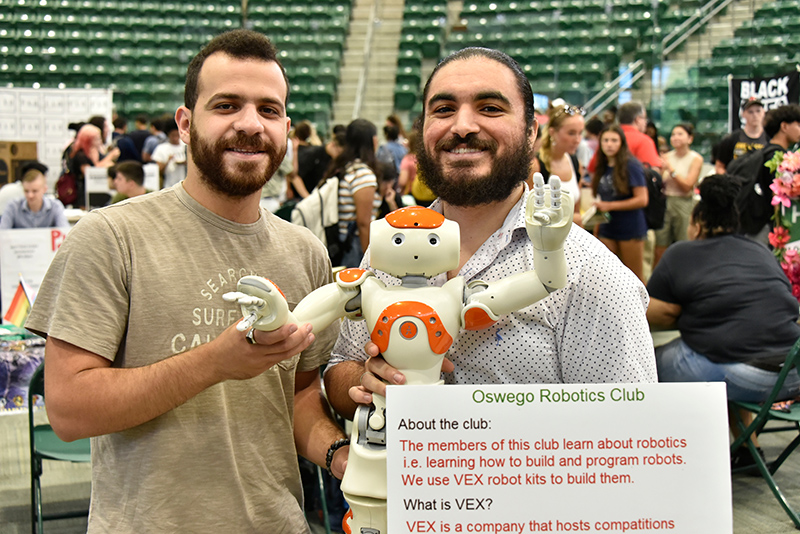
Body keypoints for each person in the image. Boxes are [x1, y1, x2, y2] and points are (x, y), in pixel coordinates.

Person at [25, 29, 347, 533]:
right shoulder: (110, 236)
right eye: (226, 105)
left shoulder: (304, 251)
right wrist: (214, 363)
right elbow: (68, 410)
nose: (249, 124)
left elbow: (299, 394)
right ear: (185, 123)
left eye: (267, 110)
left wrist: (339, 455)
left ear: (286, 128)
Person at [323, 47, 656, 423]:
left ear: (531, 133)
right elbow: (340, 368)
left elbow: (630, 433)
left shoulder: (591, 274)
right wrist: (365, 382)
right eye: (444, 110)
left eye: (490, 108)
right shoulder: (392, 244)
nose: (462, 126)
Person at [647, 174, 800, 462]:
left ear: (697, 220)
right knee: (727, 349)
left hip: (743, 372)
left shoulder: (681, 253)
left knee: (648, 365)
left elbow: (661, 311)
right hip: (792, 372)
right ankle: (747, 449)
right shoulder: (760, 251)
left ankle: (664, 457)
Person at [591, 125, 649, 282]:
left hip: (629, 228)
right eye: (606, 140)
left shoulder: (631, 165)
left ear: (621, 143)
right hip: (607, 227)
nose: (609, 144)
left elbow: (642, 199)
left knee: (634, 277)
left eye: (614, 140)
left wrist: (610, 206)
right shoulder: (602, 165)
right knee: (608, 277)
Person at [327, 118, 382, 268]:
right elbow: (363, 223)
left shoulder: (346, 167)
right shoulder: (362, 174)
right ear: (373, 141)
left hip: (343, 240)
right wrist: (370, 260)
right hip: (355, 244)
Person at [739, 103, 800, 240]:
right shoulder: (777, 157)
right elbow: (778, 193)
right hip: (769, 229)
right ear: (784, 126)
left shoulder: (766, 152)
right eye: (798, 125)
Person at [653, 123, 704, 267]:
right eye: (673, 134)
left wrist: (672, 171)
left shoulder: (695, 158)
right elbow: (658, 182)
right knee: (660, 244)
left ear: (690, 138)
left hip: (683, 203)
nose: (675, 137)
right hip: (665, 202)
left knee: (683, 242)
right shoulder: (666, 157)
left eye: (680, 134)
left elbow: (688, 185)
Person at [531, 103, 585, 225]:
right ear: (553, 132)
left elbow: (576, 211)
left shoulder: (576, 163)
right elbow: (526, 212)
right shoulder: (537, 166)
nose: (577, 139)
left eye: (580, 133)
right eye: (571, 133)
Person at [0, 163, 68, 229]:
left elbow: (64, 233)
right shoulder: (13, 207)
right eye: (26, 191)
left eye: (35, 191)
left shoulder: (55, 206)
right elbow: (3, 234)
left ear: (44, 189)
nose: (30, 195)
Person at [66, 123, 119, 209]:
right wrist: (110, 157)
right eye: (96, 139)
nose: (99, 141)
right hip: (83, 193)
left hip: (101, 190)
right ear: (88, 140)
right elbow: (89, 173)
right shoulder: (80, 155)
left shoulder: (98, 151)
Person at [715, 97, 769, 174]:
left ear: (764, 112)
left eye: (758, 111)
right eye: (750, 112)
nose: (755, 115)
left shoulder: (769, 139)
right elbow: (719, 166)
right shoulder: (731, 139)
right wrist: (728, 181)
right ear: (743, 114)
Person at [151, 117, 187, 188]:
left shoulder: (186, 146)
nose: (175, 138)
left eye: (177, 135)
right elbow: (159, 171)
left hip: (185, 185)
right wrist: (168, 161)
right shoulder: (161, 148)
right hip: (168, 185)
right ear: (168, 135)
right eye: (173, 135)